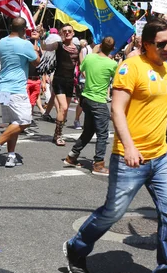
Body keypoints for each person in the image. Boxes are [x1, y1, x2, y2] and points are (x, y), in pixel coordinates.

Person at [63, 18, 167, 273]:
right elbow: (118, 110)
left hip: (161, 157)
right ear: (147, 44)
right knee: (113, 213)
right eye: (162, 44)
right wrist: (130, 146)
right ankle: (77, 248)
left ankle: (166, 271)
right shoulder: (130, 67)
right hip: (128, 157)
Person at [0, 18, 40, 167]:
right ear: (24, 29)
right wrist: (35, 43)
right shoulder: (26, 44)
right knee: (24, 121)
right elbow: (37, 61)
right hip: (16, 88)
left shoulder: (2, 42)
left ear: (10, 27)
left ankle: (11, 156)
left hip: (3, 86)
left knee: (13, 122)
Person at [63, 37, 118, 175]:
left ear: (100, 46)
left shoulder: (90, 58)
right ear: (112, 49)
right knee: (102, 133)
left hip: (86, 98)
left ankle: (72, 156)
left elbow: (82, 69)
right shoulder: (112, 64)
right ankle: (98, 164)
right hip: (98, 101)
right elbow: (117, 80)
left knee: (88, 130)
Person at [41, 24, 80, 145]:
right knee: (63, 107)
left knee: (65, 110)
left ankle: (57, 133)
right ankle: (58, 135)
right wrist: (42, 36)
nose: (67, 33)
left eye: (69, 31)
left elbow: (82, 64)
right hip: (59, 79)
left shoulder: (78, 47)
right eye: (65, 31)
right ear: (61, 33)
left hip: (70, 81)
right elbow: (45, 47)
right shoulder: (59, 45)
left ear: (73, 33)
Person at [73, 39, 93, 130]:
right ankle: (77, 119)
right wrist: (86, 76)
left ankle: (89, 122)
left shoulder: (102, 52)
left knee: (92, 102)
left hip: (95, 81)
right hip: (84, 80)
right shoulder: (86, 49)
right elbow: (82, 64)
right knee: (82, 102)